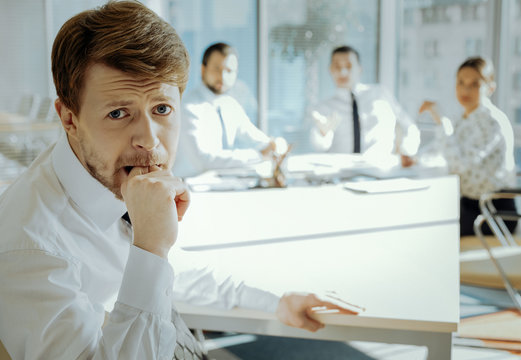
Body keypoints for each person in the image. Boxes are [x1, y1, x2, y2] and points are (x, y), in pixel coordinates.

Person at [0, 2, 356, 359]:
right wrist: (150, 248)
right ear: (69, 119)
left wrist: (276, 301)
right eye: (118, 113)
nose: (150, 140)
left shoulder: (103, 182)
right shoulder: (31, 249)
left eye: (162, 109)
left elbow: (173, 274)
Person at [419, 56, 517, 236]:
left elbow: (460, 164)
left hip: (492, 212)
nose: (465, 89)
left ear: (490, 88)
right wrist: (414, 158)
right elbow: (441, 150)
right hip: (468, 205)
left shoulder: (492, 121)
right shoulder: (463, 118)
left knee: (428, 231)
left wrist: (441, 122)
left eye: (474, 84)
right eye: (461, 83)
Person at [174, 42, 277, 177]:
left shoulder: (230, 105)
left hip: (222, 185)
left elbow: (254, 136)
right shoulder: (189, 107)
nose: (222, 77)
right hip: (189, 189)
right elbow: (204, 160)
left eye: (229, 71)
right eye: (217, 69)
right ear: (203, 70)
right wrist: (257, 155)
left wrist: (274, 145)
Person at [308, 46, 420, 167]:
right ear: (330, 70)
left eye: (348, 66)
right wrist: (323, 134)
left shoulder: (380, 94)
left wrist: (407, 151)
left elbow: (410, 127)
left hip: (381, 170)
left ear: (359, 69)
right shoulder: (324, 108)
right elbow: (319, 147)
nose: (343, 72)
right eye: (337, 67)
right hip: (341, 173)